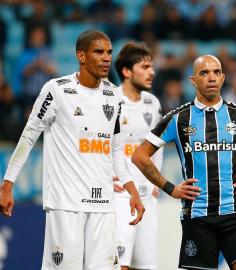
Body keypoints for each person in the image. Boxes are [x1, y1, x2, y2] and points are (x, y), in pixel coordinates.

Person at [0, 30, 144, 270]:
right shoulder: (56, 90)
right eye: (99, 52)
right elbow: (29, 136)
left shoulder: (113, 96)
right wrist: (7, 183)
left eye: (109, 52)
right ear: (81, 56)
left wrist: (132, 191)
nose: (106, 58)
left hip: (103, 203)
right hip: (66, 203)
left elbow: (116, 150)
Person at [132, 55, 236, 270]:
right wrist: (171, 188)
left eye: (216, 72)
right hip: (198, 219)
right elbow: (139, 156)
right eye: (204, 73)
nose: (211, 77)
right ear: (193, 80)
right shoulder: (178, 118)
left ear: (223, 78)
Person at [113, 41, 163, 270]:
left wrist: (157, 179)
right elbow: (102, 144)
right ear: (126, 71)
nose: (151, 72)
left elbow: (157, 143)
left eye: (151, 66)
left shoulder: (153, 103)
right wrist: (107, 176)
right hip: (121, 192)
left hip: (147, 194)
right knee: (119, 262)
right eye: (144, 67)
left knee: (145, 264)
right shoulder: (110, 101)